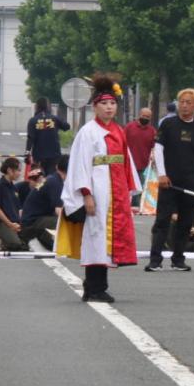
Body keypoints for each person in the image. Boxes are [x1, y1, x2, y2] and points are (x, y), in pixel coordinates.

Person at [58, 75, 139, 302]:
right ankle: (93, 287)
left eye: (112, 103)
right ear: (95, 106)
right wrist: (86, 194)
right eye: (104, 103)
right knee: (96, 238)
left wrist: (128, 190)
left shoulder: (119, 131)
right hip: (98, 191)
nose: (109, 107)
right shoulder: (88, 132)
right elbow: (80, 164)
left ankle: (98, 286)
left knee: (106, 241)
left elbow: (125, 162)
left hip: (115, 192)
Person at [146, 88, 194, 272]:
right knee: (163, 220)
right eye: (182, 101)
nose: (184, 105)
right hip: (169, 180)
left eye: (189, 102)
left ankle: (178, 259)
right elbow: (157, 150)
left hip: (190, 179)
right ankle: (155, 260)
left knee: (186, 220)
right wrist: (162, 174)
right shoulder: (168, 124)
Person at [19, 155, 66, 251]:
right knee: (63, 221)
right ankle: (35, 240)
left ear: (57, 166)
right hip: (31, 223)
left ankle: (48, 242)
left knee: (57, 219)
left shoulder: (52, 178)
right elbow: (58, 210)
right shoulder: (55, 182)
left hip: (31, 219)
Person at [0, 158, 31, 251]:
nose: (20, 173)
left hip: (14, 224)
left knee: (30, 240)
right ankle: (2, 241)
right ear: (9, 170)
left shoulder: (14, 188)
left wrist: (21, 224)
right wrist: (10, 224)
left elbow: (18, 209)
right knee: (16, 245)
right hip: (1, 224)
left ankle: (6, 239)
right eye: (18, 170)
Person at [25, 97, 70, 176]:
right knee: (51, 179)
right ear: (48, 106)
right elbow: (67, 127)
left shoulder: (33, 121)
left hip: (38, 157)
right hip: (54, 157)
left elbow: (30, 138)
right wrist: (59, 119)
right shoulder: (54, 119)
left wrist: (27, 153)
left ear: (37, 107)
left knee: (38, 180)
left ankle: (40, 188)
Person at [125, 106, 156, 206]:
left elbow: (154, 147)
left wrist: (154, 156)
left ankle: (135, 205)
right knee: (126, 185)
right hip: (128, 163)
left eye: (148, 117)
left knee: (139, 186)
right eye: (143, 116)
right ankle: (126, 204)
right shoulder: (129, 127)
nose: (145, 118)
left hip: (143, 164)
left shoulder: (152, 131)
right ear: (139, 115)